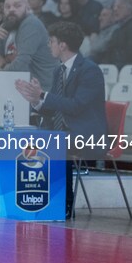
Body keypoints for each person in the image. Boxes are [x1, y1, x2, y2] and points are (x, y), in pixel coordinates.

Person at [15, 21, 107, 219]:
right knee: (25, 141)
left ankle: (63, 203)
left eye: (51, 41)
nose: (49, 45)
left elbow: (76, 106)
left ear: (62, 45)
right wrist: (37, 101)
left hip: (86, 134)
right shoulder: (59, 70)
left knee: (55, 144)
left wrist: (44, 95)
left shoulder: (90, 70)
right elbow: (57, 109)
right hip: (64, 131)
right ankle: (32, 199)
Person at [0, 0, 57, 90]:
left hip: (41, 91)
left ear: (28, 8)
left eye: (17, 6)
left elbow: (20, 67)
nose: (11, 9)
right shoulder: (6, 26)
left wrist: (3, 65)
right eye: (7, 7)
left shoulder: (31, 24)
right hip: (17, 87)